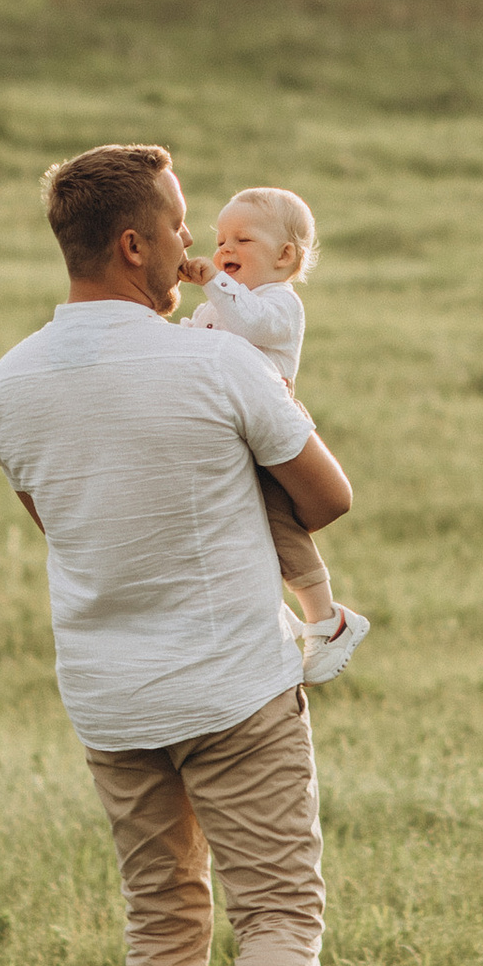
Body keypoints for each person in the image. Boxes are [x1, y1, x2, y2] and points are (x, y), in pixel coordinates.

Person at [0, 141, 353, 966]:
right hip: (231, 686)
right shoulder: (214, 362)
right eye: (182, 227)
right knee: (280, 911)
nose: (195, 248)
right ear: (135, 243)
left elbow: (59, 524)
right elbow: (322, 498)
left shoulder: (9, 385)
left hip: (109, 698)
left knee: (161, 921)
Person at [187, 185, 369, 682]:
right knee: (238, 521)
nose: (224, 250)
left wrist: (212, 284)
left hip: (268, 432)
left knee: (279, 526)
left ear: (285, 255)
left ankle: (327, 620)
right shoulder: (218, 306)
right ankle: (274, 607)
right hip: (231, 433)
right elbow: (193, 343)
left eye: (241, 239)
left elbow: (247, 326)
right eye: (219, 239)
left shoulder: (280, 303)